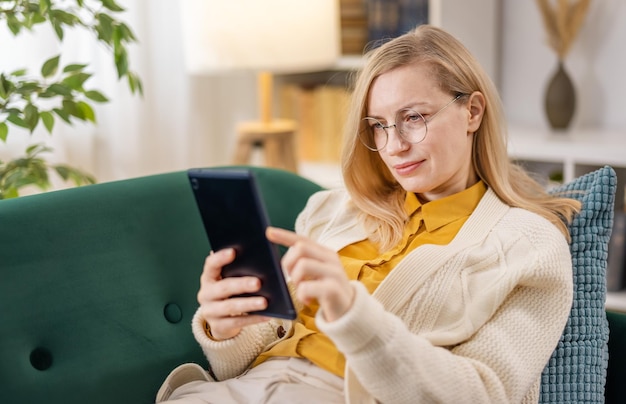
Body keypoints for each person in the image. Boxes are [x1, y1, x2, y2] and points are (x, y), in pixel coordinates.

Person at [157, 24, 581, 403]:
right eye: (378, 125)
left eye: (413, 118)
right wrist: (227, 328)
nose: (394, 146)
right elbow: (256, 353)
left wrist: (352, 314)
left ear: (472, 111)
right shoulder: (331, 210)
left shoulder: (531, 246)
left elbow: (483, 393)